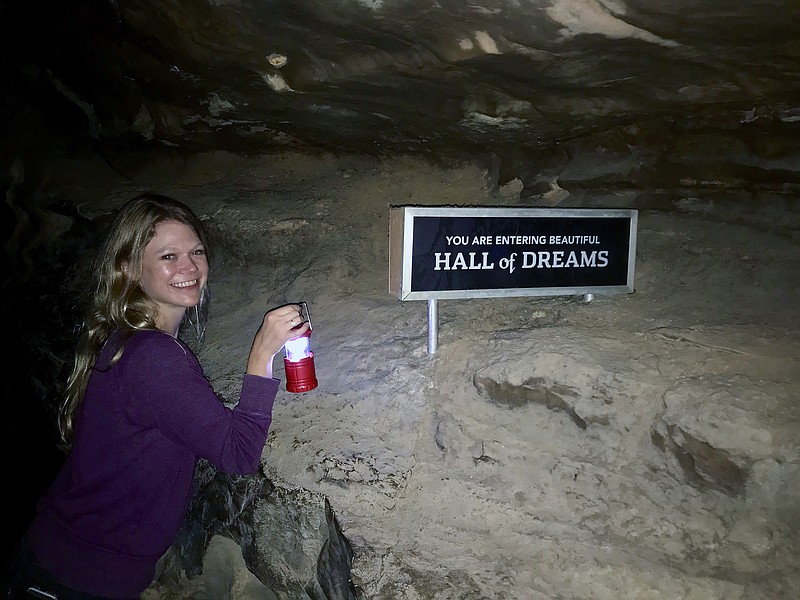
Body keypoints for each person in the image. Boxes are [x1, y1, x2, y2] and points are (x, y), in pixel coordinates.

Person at [1, 193, 309, 599]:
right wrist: (262, 353)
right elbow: (238, 453)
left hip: (66, 562)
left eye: (196, 251)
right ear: (129, 269)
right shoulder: (153, 357)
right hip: (72, 577)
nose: (189, 266)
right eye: (168, 256)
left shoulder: (129, 339)